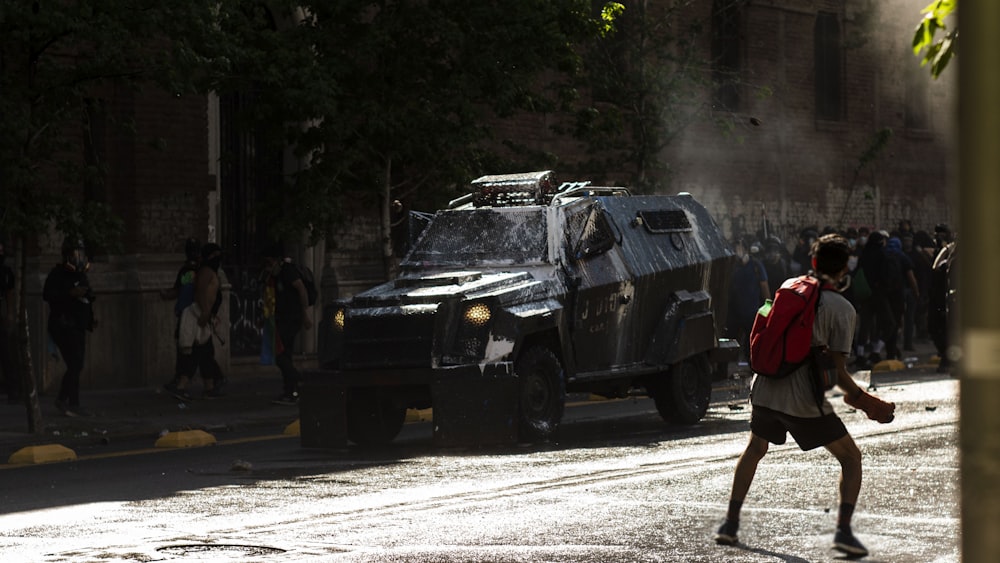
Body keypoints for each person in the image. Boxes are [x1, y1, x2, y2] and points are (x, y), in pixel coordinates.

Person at [714, 233, 896, 558]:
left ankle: (729, 524)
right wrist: (871, 405)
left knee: (755, 448)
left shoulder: (788, 287)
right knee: (851, 459)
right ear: (845, 270)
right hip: (802, 398)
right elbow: (840, 376)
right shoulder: (843, 309)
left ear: (813, 262)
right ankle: (843, 532)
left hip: (765, 387)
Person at [164, 243, 227, 400]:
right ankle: (182, 385)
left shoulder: (208, 270)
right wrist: (205, 312)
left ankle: (209, 386)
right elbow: (200, 290)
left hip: (204, 315)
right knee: (197, 351)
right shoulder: (206, 271)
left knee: (205, 351)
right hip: (199, 314)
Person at [42, 237, 97, 417]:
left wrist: (90, 319)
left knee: (77, 364)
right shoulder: (57, 275)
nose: (78, 259)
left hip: (78, 325)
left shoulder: (81, 276)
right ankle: (70, 402)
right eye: (75, 255)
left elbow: (87, 300)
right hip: (63, 325)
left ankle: (66, 400)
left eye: (81, 255)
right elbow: (48, 295)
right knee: (75, 363)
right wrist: (70, 294)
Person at [261, 244, 313, 405]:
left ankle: (299, 379)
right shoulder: (275, 275)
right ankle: (290, 390)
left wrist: (305, 314)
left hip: (291, 318)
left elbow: (301, 290)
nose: (268, 266)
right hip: (282, 318)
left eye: (269, 262)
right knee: (285, 354)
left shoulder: (288, 271)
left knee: (281, 356)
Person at [160, 238, 200, 391]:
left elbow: (177, 290)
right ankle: (182, 378)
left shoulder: (194, 270)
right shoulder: (192, 270)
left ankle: (183, 379)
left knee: (189, 347)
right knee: (189, 346)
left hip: (191, 312)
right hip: (187, 312)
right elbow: (177, 289)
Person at [726, 238, 770, 362]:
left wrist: (769, 307)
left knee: (751, 343)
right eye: (736, 249)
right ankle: (726, 369)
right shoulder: (732, 267)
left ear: (746, 250)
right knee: (730, 342)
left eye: (740, 248)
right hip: (734, 313)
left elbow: (764, 286)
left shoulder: (756, 265)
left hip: (751, 313)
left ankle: (754, 367)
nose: (738, 252)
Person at [0, 240, 18, 404]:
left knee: (6, 353)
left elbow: (9, 292)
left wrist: (10, 314)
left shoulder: (5, 271)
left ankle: (12, 390)